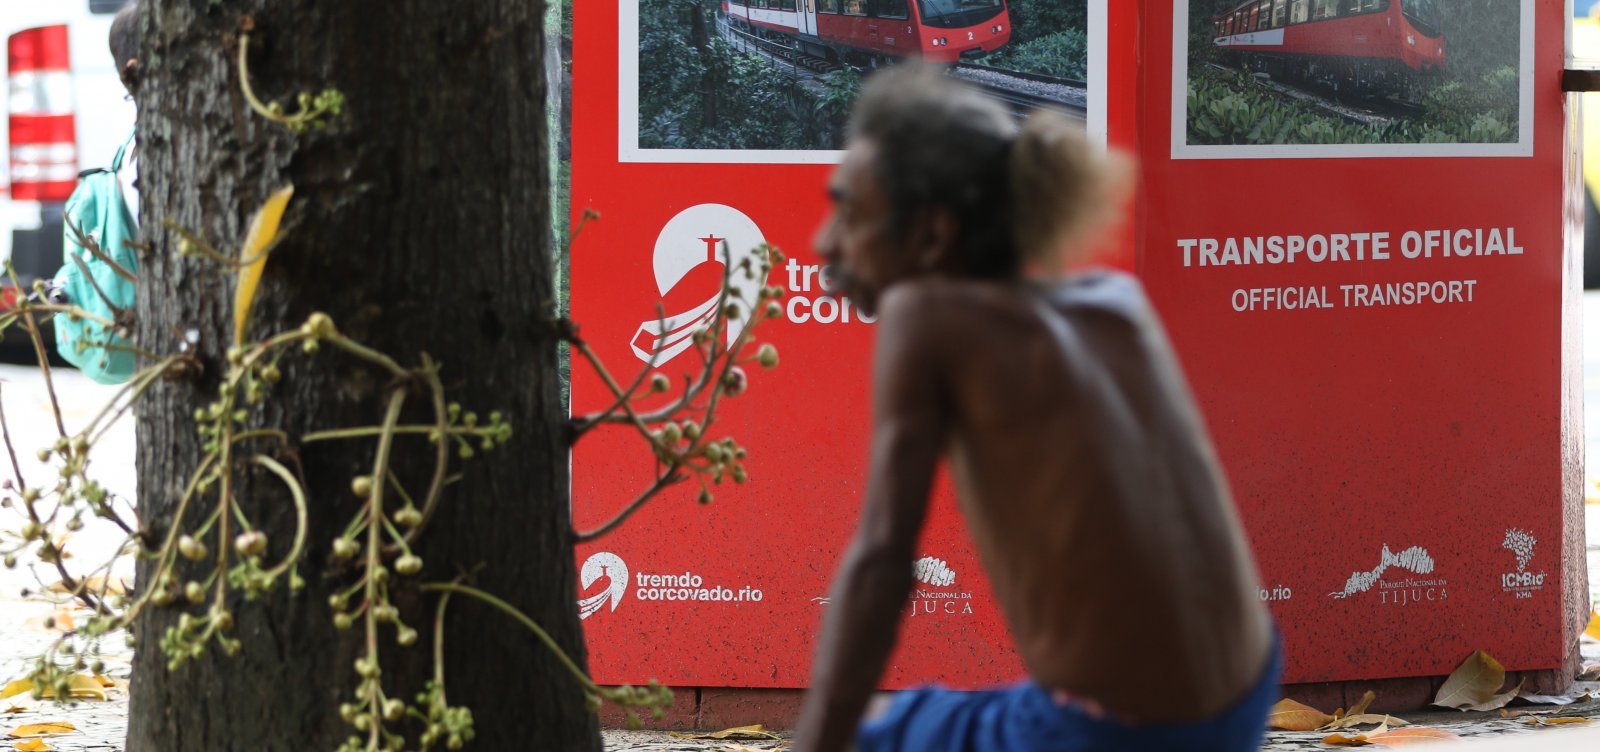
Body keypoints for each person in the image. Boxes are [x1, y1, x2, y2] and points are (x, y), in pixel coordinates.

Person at [792, 65, 1278, 752]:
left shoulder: (924, 313)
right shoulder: (1115, 301)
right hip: (1244, 692)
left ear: (932, 236)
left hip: (1113, 731)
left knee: (867, 735)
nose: (825, 242)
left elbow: (880, 563)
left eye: (850, 211)